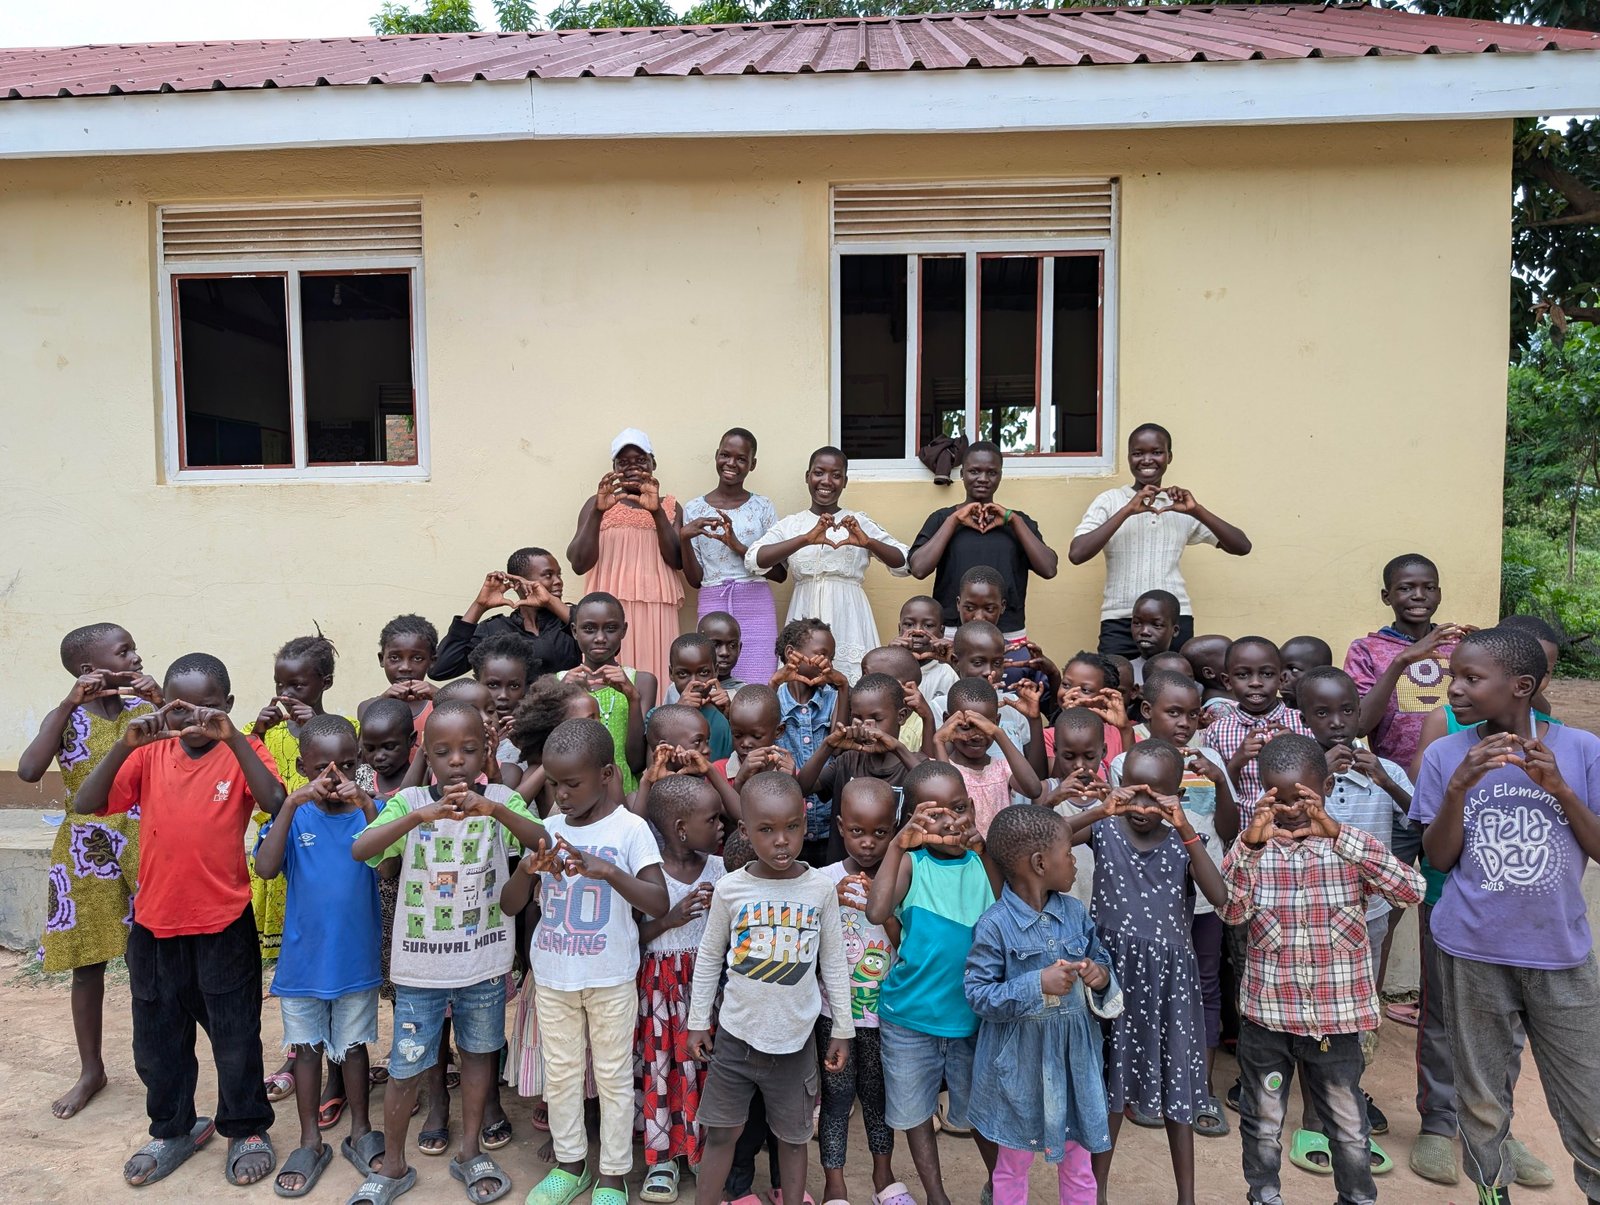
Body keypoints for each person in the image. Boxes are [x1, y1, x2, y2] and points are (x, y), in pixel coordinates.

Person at [73, 652, 287, 1189]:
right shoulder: (149, 755)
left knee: (235, 1033)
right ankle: (175, 1128)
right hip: (154, 925)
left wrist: (235, 738)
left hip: (222, 922)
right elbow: (86, 801)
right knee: (157, 1037)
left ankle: (246, 1127)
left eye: (208, 709)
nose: (194, 722)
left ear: (228, 706)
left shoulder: (244, 750)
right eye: (180, 711)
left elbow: (274, 799)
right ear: (162, 708)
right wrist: (126, 745)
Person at [1410, 626, 1600, 1205]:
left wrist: (1561, 789)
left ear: (1520, 686)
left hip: (1559, 953)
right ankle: (1492, 1193)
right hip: (1472, 951)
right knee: (1482, 1097)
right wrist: (1458, 789)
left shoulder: (1582, 749)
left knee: (1589, 1095)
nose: (1455, 689)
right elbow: (1438, 857)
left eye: (1471, 678)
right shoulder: (1446, 753)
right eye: (1453, 677)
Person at [348, 700, 549, 1205]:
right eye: (443, 751)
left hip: (482, 964)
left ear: (486, 753)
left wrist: (497, 810)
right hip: (420, 970)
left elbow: (543, 841)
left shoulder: (501, 798)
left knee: (480, 1055)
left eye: (469, 750)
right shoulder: (409, 799)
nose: (456, 760)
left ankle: (470, 1151)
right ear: (426, 755)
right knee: (406, 1064)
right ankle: (393, 1164)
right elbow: (364, 850)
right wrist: (419, 816)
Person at [1219, 734, 1423, 1205]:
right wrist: (1249, 845)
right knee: (1263, 1120)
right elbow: (1230, 911)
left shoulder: (1349, 848)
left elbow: (1411, 890)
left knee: (1348, 1125)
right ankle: (1264, 1195)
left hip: (1336, 1022)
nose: (1290, 809)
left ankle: (1356, 1198)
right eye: (1278, 797)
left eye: (1302, 797)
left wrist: (1339, 835)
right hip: (1267, 1020)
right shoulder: (1253, 851)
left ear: (1327, 786)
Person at [501, 717, 670, 1205]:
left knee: (615, 1076)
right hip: (554, 977)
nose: (561, 795)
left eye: (572, 783)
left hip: (612, 977)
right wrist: (528, 872)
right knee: (562, 1073)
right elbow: (510, 905)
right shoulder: (548, 830)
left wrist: (607, 870)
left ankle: (613, 1174)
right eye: (554, 783)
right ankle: (570, 1164)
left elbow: (657, 902)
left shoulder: (630, 828)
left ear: (607, 774)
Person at [1067, 742, 1226, 1205]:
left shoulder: (1184, 838)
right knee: (1111, 1086)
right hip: (1110, 976)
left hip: (1168, 982)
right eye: (1133, 793)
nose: (1141, 806)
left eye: (1155, 797)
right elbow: (1046, 836)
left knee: (1176, 1081)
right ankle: (1095, 1192)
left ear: (1176, 794)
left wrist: (1187, 830)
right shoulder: (1106, 829)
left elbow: (1218, 895)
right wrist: (1099, 810)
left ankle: (1186, 1197)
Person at [688, 772, 854, 1205]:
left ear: (805, 821)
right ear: (745, 831)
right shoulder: (731, 889)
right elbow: (709, 959)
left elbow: (833, 962)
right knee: (722, 1133)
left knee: (793, 1138)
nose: (781, 841)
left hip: (795, 1043)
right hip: (735, 1039)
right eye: (766, 830)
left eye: (792, 828)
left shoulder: (819, 889)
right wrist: (696, 1021)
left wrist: (843, 1028)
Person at [19, 623, 160, 1122]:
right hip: (87, 850)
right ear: (89, 669)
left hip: (149, 842)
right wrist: (64, 704)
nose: (137, 657)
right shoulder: (69, 716)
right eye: (126, 652)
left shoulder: (146, 710)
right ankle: (91, 1069)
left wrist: (161, 697)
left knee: (155, 957)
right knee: (89, 964)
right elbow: (29, 771)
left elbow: (184, 751)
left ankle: (160, 1067)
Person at [252, 715, 382, 1197]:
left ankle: (361, 1132)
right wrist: (290, 804)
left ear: (359, 764)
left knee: (353, 1048)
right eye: (321, 768)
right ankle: (310, 1140)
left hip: (355, 962)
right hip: (304, 965)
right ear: (302, 768)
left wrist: (367, 802)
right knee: (306, 1050)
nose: (334, 777)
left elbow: (387, 866)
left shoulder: (371, 811)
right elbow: (266, 868)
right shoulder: (293, 816)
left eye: (347, 765)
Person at [1290, 665, 1413, 1167]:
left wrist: (1382, 776)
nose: (1337, 722)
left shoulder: (1389, 771)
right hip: (1310, 914)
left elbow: (1421, 821)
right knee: (1311, 1012)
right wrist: (1320, 776)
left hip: (1369, 916)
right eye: (1322, 713)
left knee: (1359, 1016)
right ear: (1304, 719)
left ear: (1361, 714)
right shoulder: (1299, 773)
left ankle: (1348, 1096)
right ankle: (1315, 1116)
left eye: (1347, 711)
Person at [965, 805, 1119, 1205]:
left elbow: (1100, 959)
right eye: (1068, 853)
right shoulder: (995, 924)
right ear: (1039, 863)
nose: (1073, 861)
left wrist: (1099, 976)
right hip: (1019, 1066)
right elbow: (979, 994)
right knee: (1012, 1165)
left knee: (1078, 1162)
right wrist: (1037, 983)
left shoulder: (1074, 912)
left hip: (1073, 1062)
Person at [1108, 672, 1237, 1138]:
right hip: (1145, 899)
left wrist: (1220, 780)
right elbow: (1115, 820)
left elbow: (1229, 827)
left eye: (1192, 714)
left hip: (1201, 892)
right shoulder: (1125, 761)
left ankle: (1196, 1087)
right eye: (1173, 712)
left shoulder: (1211, 759)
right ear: (1147, 713)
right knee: (1138, 994)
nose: (1184, 723)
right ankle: (1138, 1084)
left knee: (1202, 988)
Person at [866, 761, 1001, 1205]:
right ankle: (936, 1195)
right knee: (915, 1111)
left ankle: (1002, 1183)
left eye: (959, 808)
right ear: (913, 818)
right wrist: (897, 847)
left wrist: (985, 853)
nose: (950, 821)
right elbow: (875, 910)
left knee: (980, 1114)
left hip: (971, 1020)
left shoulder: (983, 863)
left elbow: (1007, 911)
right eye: (934, 813)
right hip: (910, 1018)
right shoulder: (912, 863)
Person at [1068, 423, 1252, 657]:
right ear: (1128, 457)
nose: (1147, 459)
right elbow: (1077, 553)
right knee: (1116, 687)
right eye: (1138, 453)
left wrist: (1196, 511)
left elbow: (1242, 546)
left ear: (1169, 456)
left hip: (1173, 621)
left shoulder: (1180, 506)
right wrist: (1127, 510)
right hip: (1121, 619)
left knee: (1174, 688)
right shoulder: (1110, 501)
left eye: (1156, 452)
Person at [635, 775, 727, 1203]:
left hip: (704, 990)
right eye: (712, 819)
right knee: (660, 1071)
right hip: (658, 989)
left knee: (705, 1071)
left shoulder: (720, 869)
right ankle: (661, 1159)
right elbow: (631, 936)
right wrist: (670, 919)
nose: (721, 825)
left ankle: (701, 1150)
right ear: (680, 828)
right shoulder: (647, 871)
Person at [746, 446, 909, 682]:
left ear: (845, 481)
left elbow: (905, 563)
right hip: (804, 613)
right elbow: (754, 559)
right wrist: (805, 539)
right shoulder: (792, 525)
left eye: (836, 475)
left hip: (850, 615)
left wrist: (868, 542)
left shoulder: (858, 521)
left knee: (852, 686)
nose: (826, 481)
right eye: (819, 472)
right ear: (807, 477)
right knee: (801, 685)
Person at [816, 778, 906, 1205]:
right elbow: (807, 944)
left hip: (883, 1015)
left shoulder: (901, 880)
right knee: (835, 1100)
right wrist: (825, 904)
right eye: (857, 831)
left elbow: (907, 942)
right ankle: (835, 1185)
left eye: (880, 833)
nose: (868, 844)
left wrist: (882, 906)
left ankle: (883, 1179)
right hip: (834, 1016)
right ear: (839, 827)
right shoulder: (822, 881)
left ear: (896, 827)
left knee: (878, 1098)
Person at [246, 631, 346, 966]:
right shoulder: (260, 732)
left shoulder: (345, 730)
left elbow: (350, 772)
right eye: (279, 686)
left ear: (325, 683)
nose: (285, 695)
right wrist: (257, 733)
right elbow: (242, 772)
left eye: (296, 686)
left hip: (322, 845)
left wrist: (318, 726)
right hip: (277, 843)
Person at [906, 440, 1058, 640]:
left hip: (1008, 632)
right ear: (962, 474)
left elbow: (1048, 569)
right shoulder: (942, 519)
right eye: (974, 471)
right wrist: (954, 520)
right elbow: (918, 569)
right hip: (952, 632)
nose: (983, 478)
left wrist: (1012, 520)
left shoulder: (1019, 522)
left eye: (992, 472)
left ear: (1000, 476)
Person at [567, 428, 684, 683]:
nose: (632, 467)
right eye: (623, 462)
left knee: (656, 677)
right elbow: (578, 563)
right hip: (607, 611)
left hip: (656, 607)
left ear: (653, 463)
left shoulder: (670, 506)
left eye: (641, 460)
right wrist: (598, 512)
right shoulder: (596, 504)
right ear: (614, 467)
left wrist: (657, 513)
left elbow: (677, 560)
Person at [679, 428, 784, 685]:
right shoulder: (694, 509)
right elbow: (695, 580)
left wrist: (738, 546)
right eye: (725, 455)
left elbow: (781, 574)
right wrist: (683, 538)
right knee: (710, 679)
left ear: (752, 464)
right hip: (713, 601)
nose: (731, 464)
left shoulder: (763, 507)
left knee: (759, 681)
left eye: (741, 459)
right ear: (716, 455)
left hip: (756, 604)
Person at [797, 673, 926, 832]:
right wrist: (827, 745)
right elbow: (801, 789)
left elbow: (934, 796)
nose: (866, 727)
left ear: (901, 716)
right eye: (857, 719)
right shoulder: (847, 761)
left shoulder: (914, 763)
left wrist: (898, 748)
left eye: (876, 719)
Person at [1202, 637, 1312, 819]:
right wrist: (1236, 762)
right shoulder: (1217, 731)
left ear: (1281, 679)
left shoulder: (1303, 723)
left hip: (1298, 833)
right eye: (1243, 675)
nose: (1255, 682)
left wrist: (1296, 745)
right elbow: (1215, 795)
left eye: (1267, 674)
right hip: (1245, 836)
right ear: (1227, 681)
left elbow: (1318, 782)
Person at [558, 592, 657, 795]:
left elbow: (637, 762)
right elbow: (552, 750)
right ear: (575, 632)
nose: (601, 638)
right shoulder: (558, 682)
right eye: (589, 629)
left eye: (611, 629)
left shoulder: (642, 681)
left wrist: (633, 697)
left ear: (624, 630)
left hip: (626, 792)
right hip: (574, 792)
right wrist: (563, 693)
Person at [431, 550, 580, 683]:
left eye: (559, 575)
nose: (558, 581)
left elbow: (593, 634)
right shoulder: (494, 629)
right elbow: (440, 669)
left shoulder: (569, 620)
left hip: (569, 711)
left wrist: (549, 601)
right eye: (548, 575)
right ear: (519, 582)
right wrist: (479, 605)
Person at [768, 618, 848, 863]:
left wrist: (843, 685)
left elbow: (838, 746)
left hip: (828, 828)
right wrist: (774, 682)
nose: (828, 663)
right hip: (788, 829)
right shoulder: (772, 697)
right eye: (822, 655)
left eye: (831, 658)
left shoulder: (834, 698)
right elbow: (761, 730)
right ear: (792, 653)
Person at [931, 677, 1043, 837]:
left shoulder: (1002, 768)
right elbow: (947, 797)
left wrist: (998, 733)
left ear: (996, 722)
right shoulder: (940, 768)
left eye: (984, 727)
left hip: (997, 858)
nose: (976, 736)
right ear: (947, 721)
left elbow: (1034, 789)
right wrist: (939, 741)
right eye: (965, 727)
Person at [469, 632, 539, 776]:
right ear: (477, 682)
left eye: (514, 686)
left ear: (526, 687)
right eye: (493, 685)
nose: (503, 695)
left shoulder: (534, 736)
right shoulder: (466, 732)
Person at [358, 614, 439, 737]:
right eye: (395, 658)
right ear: (381, 659)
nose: (405, 667)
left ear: (431, 661)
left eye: (417, 658)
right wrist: (383, 700)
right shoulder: (370, 707)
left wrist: (441, 696)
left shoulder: (440, 705)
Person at [664, 632, 735, 761]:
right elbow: (654, 766)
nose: (694, 682)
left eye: (703, 672)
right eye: (683, 674)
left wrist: (730, 717)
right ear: (671, 673)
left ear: (716, 671)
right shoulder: (657, 717)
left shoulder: (721, 720)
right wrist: (679, 711)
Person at [893, 594, 958, 702]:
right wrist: (890, 656)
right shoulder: (889, 669)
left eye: (928, 625)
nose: (918, 631)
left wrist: (954, 663)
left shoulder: (947, 674)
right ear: (900, 629)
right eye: (909, 624)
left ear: (942, 632)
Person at [1127, 589, 1181, 684]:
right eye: (1137, 623)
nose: (1144, 631)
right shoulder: (1124, 671)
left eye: (1157, 625)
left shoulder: (1183, 671)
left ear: (1175, 630)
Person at [1279, 635, 1333, 712]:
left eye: (1294, 670)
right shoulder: (1269, 712)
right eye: (1279, 668)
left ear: (1322, 675)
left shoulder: (1333, 715)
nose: (1281, 676)